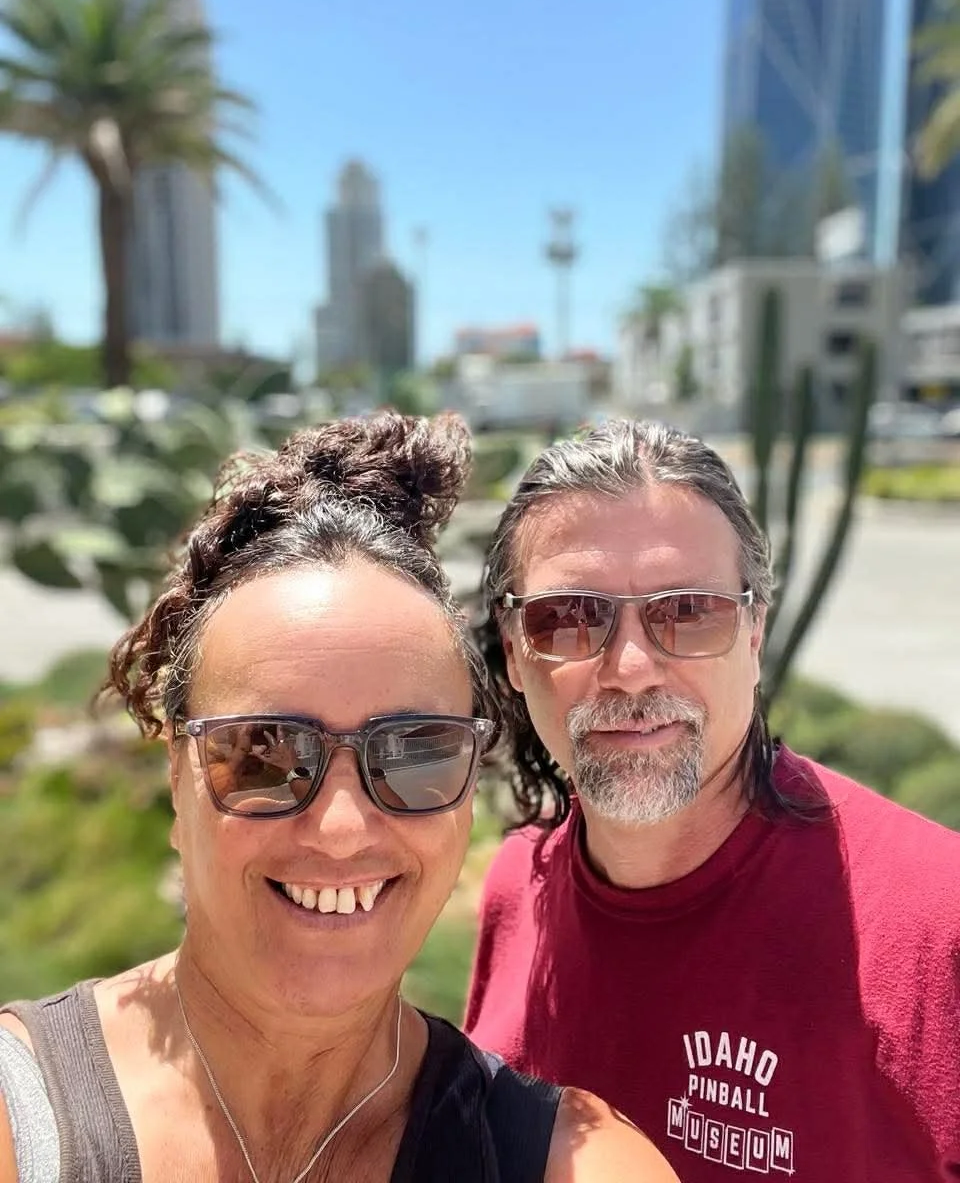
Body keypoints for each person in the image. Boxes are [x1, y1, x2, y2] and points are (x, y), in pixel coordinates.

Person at [0, 413, 678, 1183]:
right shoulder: (24, 1127)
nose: (344, 827)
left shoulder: (574, 1168)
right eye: (263, 753)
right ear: (176, 781)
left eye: (417, 753)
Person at [465, 418, 960, 1182]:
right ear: (513, 648)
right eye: (568, 618)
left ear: (756, 630)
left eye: (688, 612)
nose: (630, 668)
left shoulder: (936, 924)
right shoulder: (514, 889)